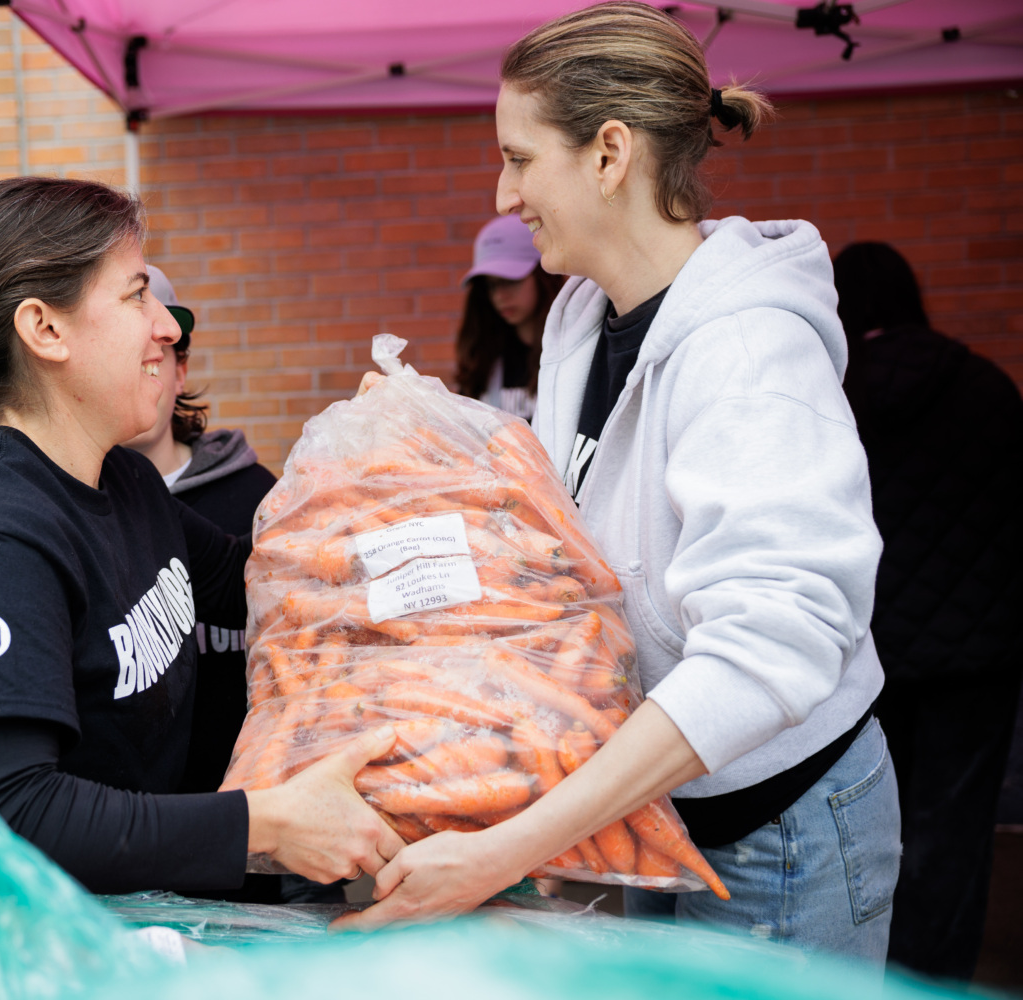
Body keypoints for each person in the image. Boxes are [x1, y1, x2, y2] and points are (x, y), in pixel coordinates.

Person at [336, 2, 899, 964]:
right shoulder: (584, 322)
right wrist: (425, 442)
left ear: (608, 153)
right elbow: (577, 529)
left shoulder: (749, 352)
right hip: (664, 812)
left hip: (783, 833)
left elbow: (776, 643)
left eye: (519, 157)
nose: (504, 194)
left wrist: (516, 843)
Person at [0, 176, 403, 895]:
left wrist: (380, 457)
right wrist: (267, 823)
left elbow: (263, 579)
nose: (167, 326)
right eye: (135, 295)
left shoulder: (120, 479)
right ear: (46, 330)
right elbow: (5, 812)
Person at [124, 265, 345, 905]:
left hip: (271, 837)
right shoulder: (87, 514)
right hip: (141, 842)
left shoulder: (260, 501)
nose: (147, 368)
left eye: (161, 354)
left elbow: (315, 648)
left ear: (181, 371)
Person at [833, 241, 1023, 980]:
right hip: (980, 663)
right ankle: (936, 981)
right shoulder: (986, 385)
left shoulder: (836, 397)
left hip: (874, 659)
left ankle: (875, 977)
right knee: (956, 833)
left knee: (878, 827)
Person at [454, 215, 563, 421]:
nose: (499, 296)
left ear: (543, 275)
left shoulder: (572, 349)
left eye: (510, 280)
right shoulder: (483, 357)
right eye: (491, 285)